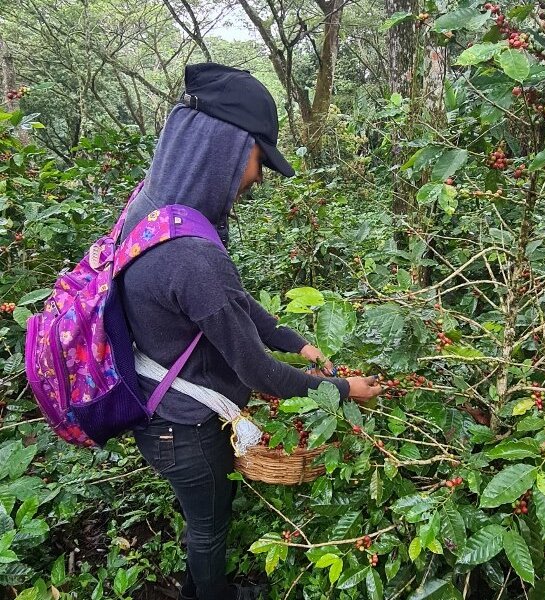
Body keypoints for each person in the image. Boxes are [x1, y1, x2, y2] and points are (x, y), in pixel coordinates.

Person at [118, 63, 382, 600]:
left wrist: (294, 340)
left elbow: (226, 306)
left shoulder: (152, 209)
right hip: (182, 428)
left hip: (162, 408)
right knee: (210, 528)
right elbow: (256, 372)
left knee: (203, 523)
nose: (258, 177)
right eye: (260, 159)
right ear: (226, 149)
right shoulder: (191, 257)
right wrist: (341, 390)